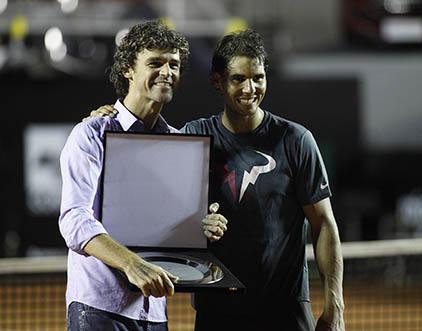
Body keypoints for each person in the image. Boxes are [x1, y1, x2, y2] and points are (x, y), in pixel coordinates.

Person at [90, 29, 344, 331]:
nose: (250, 88)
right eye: (238, 79)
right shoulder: (192, 138)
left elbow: (323, 223)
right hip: (217, 309)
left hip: (285, 309)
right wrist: (106, 118)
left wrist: (335, 305)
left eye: (258, 77)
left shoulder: (296, 140)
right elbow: (154, 196)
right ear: (217, 82)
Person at [59, 20, 227, 331]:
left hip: (155, 314)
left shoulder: (178, 143)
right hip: (99, 310)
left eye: (174, 64)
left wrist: (201, 224)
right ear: (128, 69)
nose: (167, 72)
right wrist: (132, 264)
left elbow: (166, 222)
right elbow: (73, 220)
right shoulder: (90, 135)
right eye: (155, 62)